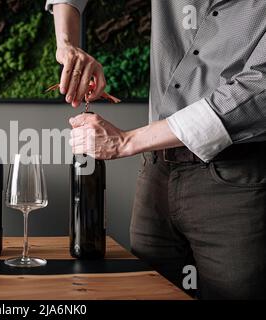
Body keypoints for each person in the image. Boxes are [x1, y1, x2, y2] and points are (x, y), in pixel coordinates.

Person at [46, 0, 266, 299]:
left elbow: (257, 90)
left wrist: (127, 141)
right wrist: (67, 44)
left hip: (237, 181)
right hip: (156, 175)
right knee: (146, 293)